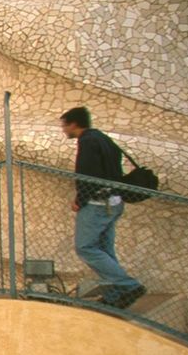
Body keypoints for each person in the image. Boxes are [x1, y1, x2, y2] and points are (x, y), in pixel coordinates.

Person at [61, 107, 145, 309]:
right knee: (105, 249)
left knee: (86, 247)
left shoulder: (88, 141)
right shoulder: (103, 139)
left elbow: (87, 175)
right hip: (114, 201)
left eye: (64, 125)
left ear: (74, 124)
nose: (64, 130)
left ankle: (129, 285)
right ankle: (116, 294)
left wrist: (80, 200)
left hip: (98, 204)